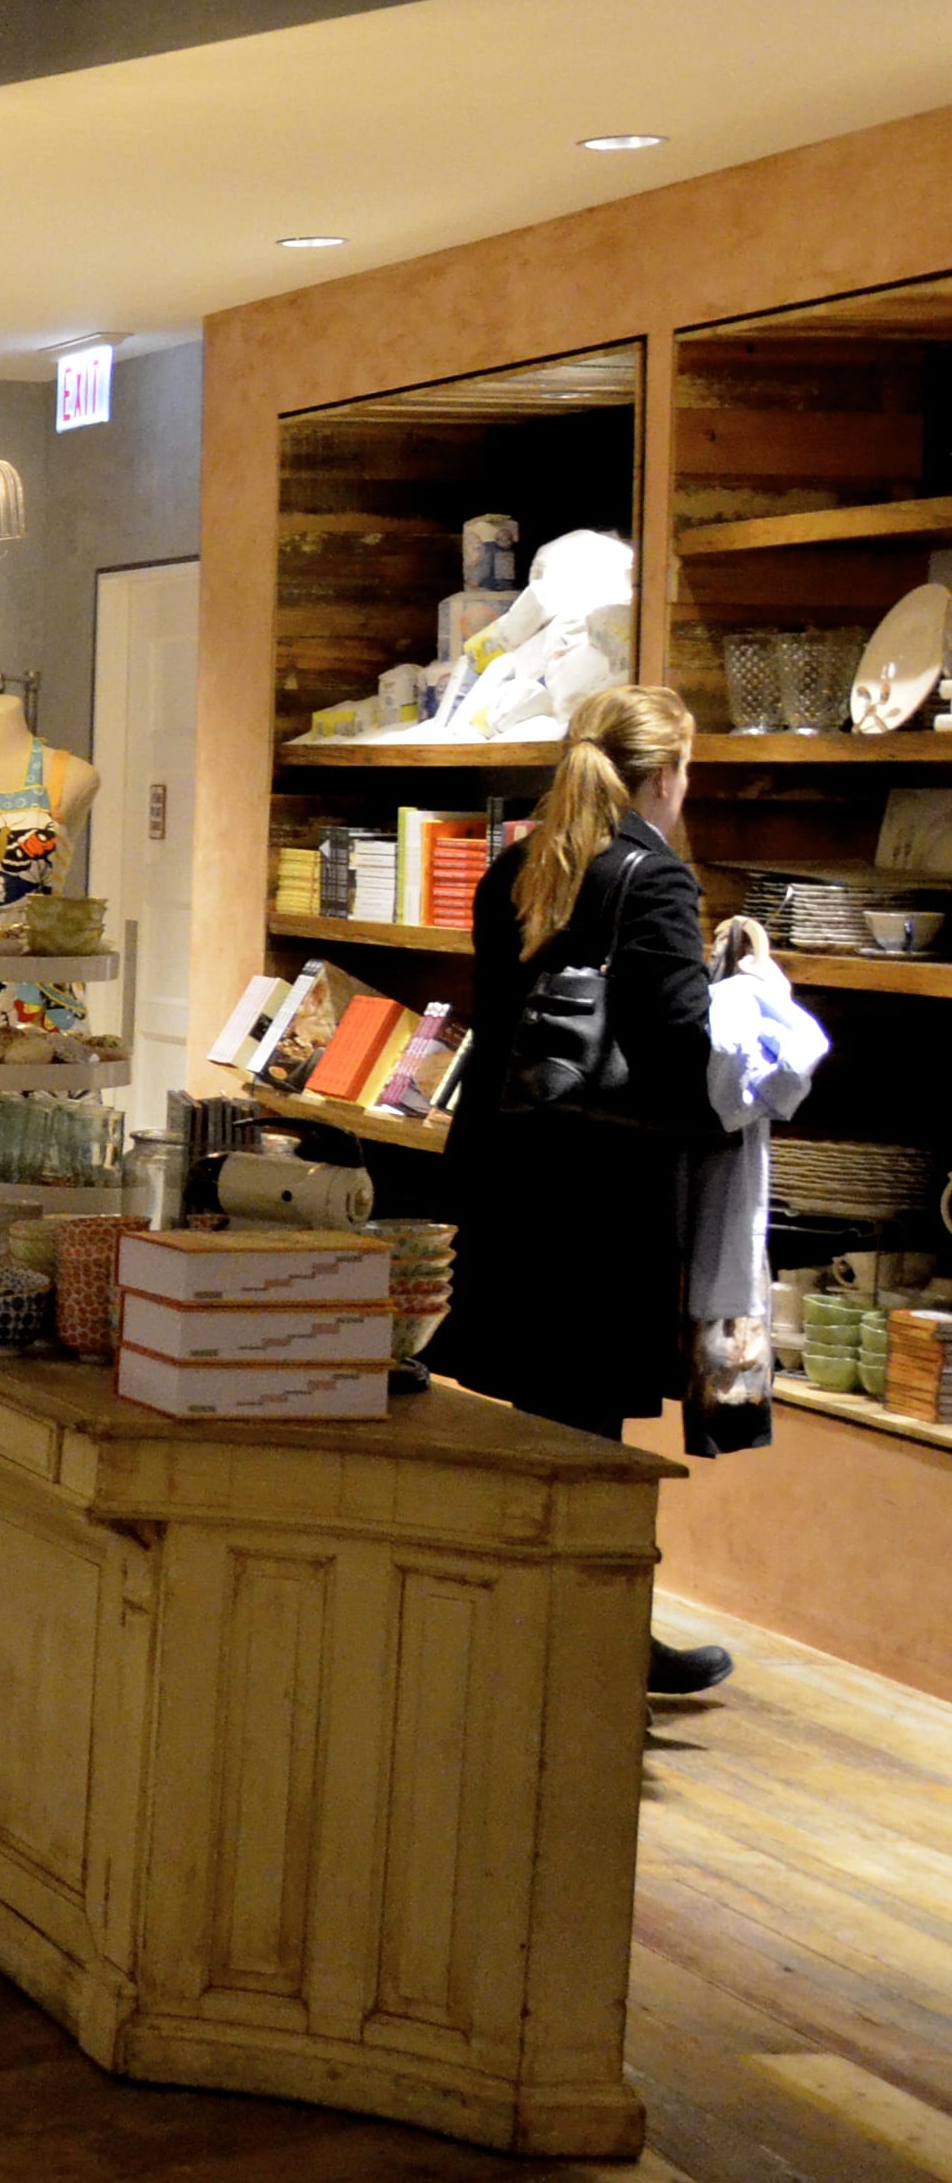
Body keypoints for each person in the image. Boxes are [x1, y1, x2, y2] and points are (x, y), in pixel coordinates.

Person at [426, 685, 735, 1695]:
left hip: (509, 1184)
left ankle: (533, 1629)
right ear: (664, 776)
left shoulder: (516, 868)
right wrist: (745, 1004)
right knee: (590, 1438)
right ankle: (594, 1646)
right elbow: (679, 1046)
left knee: (540, 1424)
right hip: (601, 1198)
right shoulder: (652, 877)